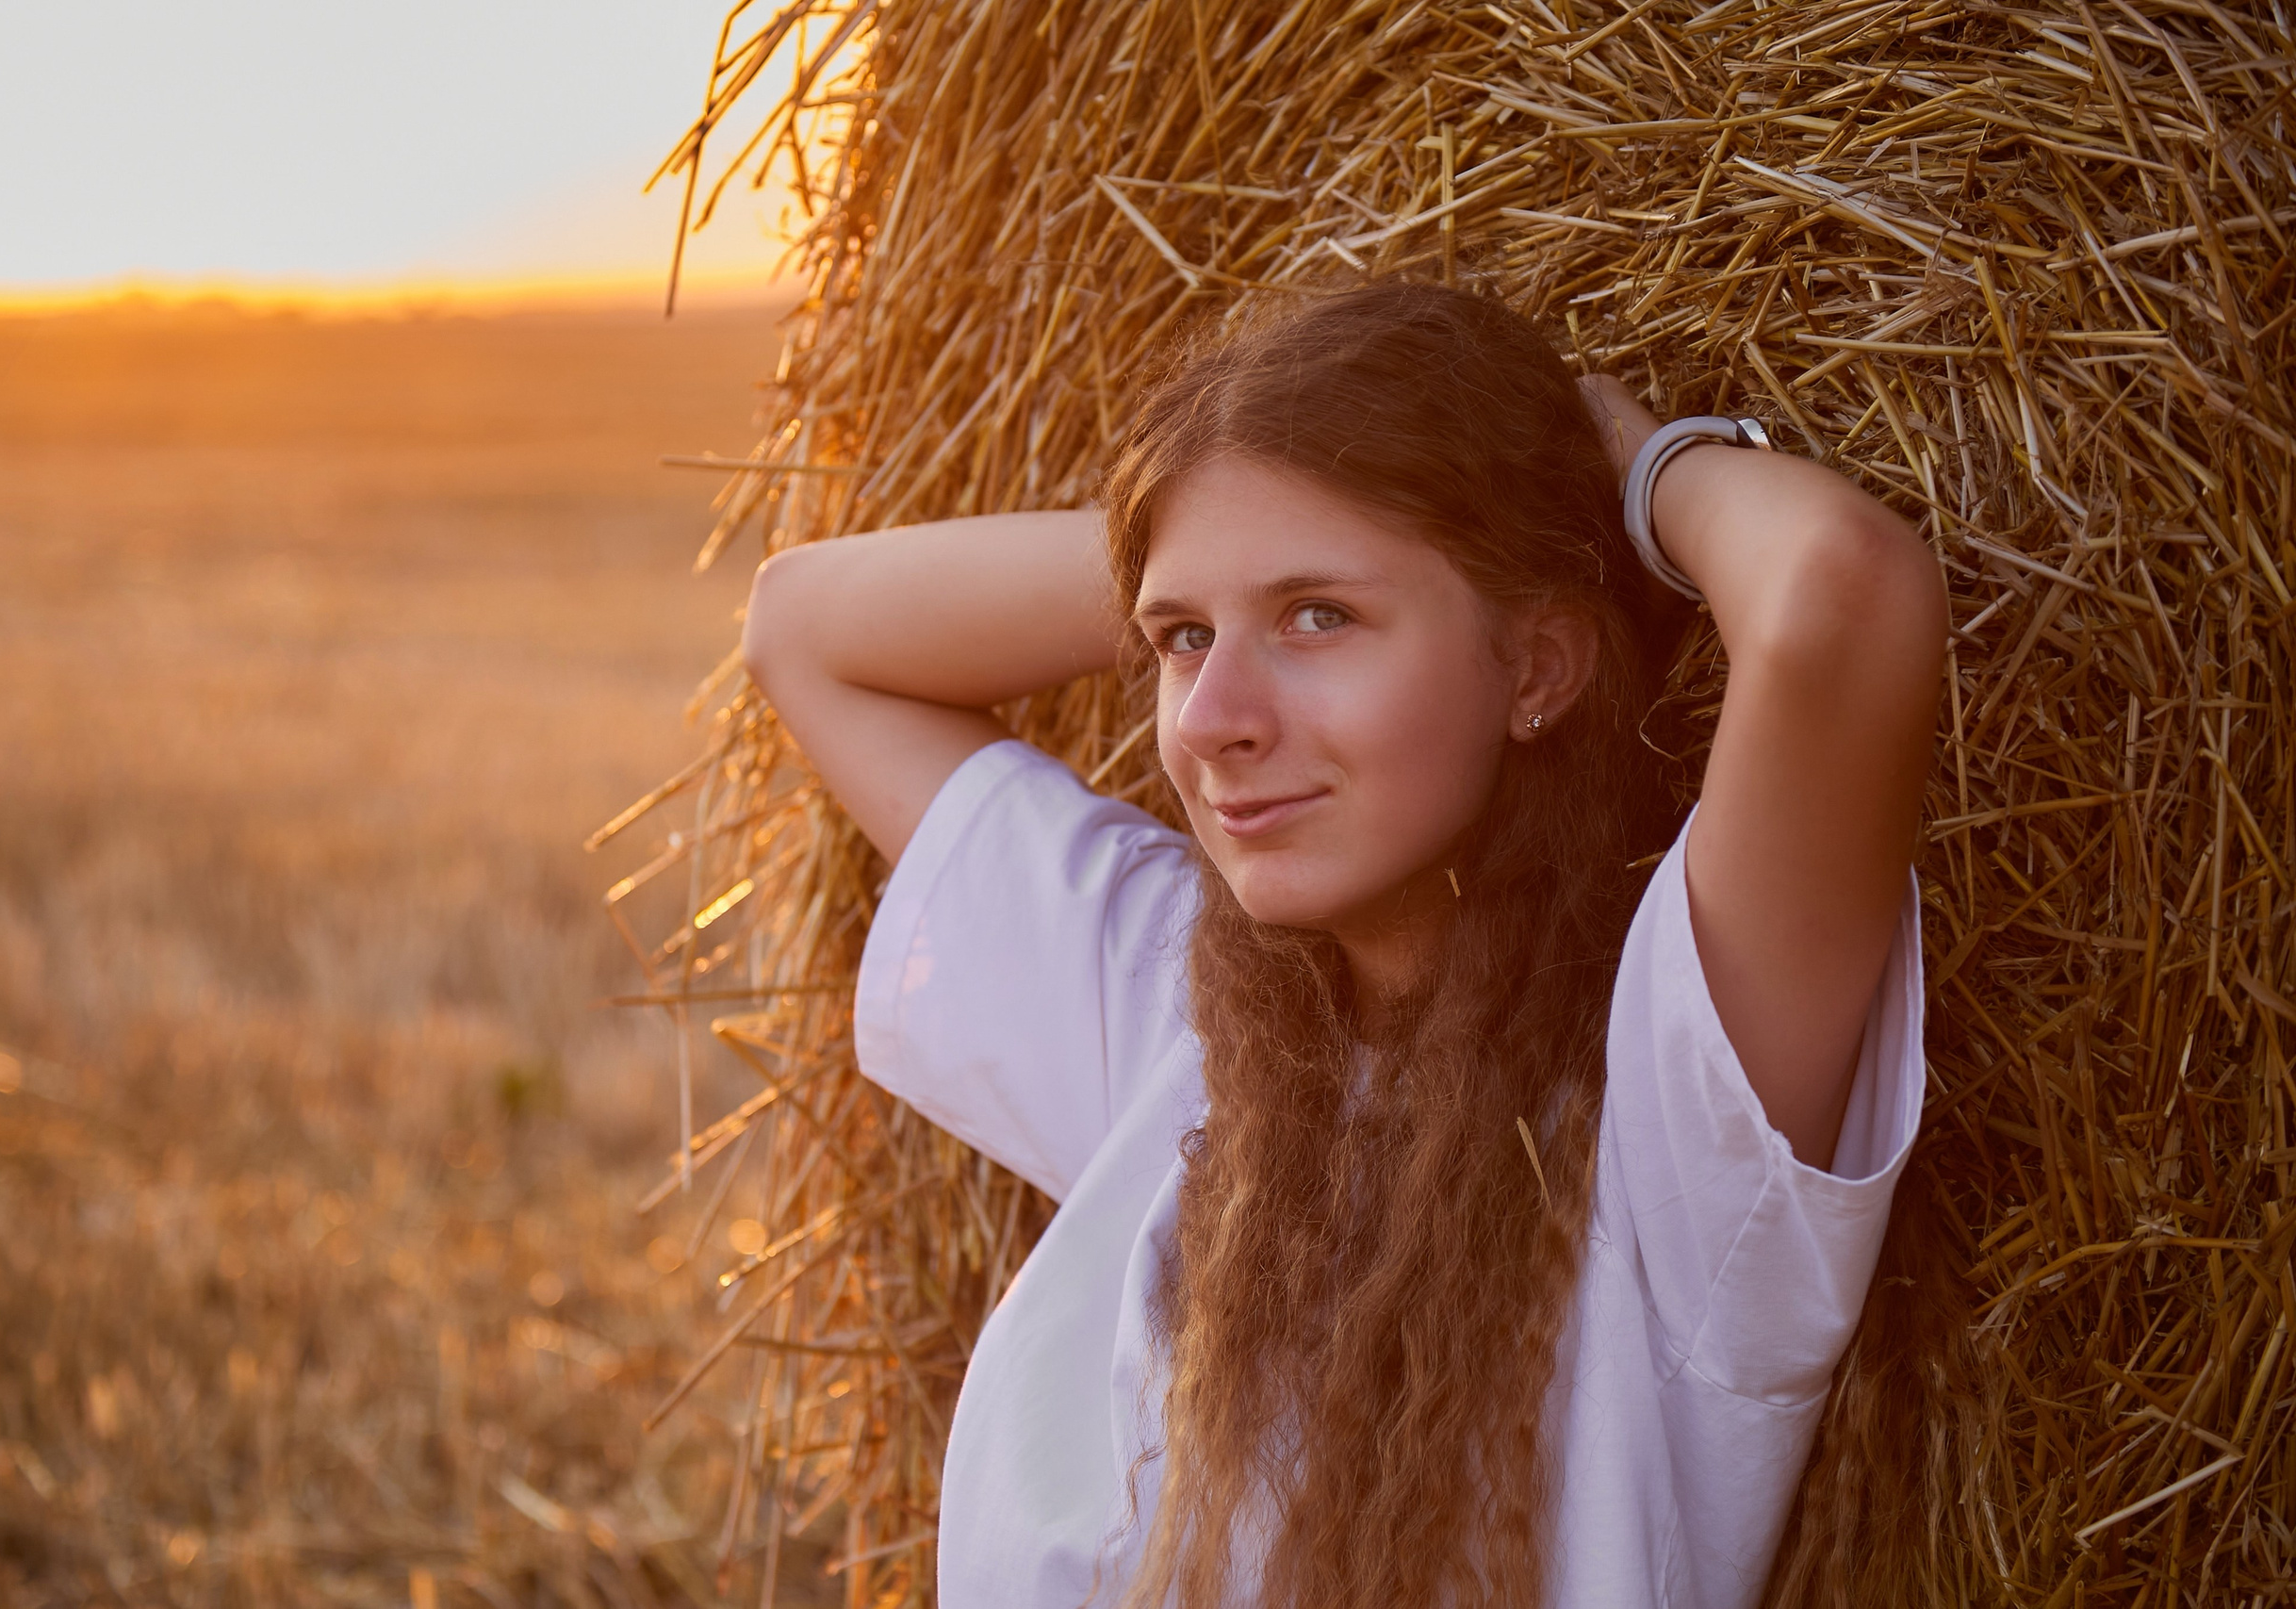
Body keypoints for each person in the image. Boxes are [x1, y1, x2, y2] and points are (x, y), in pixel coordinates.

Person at [739, 280, 1948, 1609]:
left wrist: (1633, 477)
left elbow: (1839, 596)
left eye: (1323, 619)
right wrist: (1209, 523)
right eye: (1178, 643)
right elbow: (806, 626)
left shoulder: (1675, 1109)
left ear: (1539, 669)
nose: (1210, 722)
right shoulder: (1172, 1012)